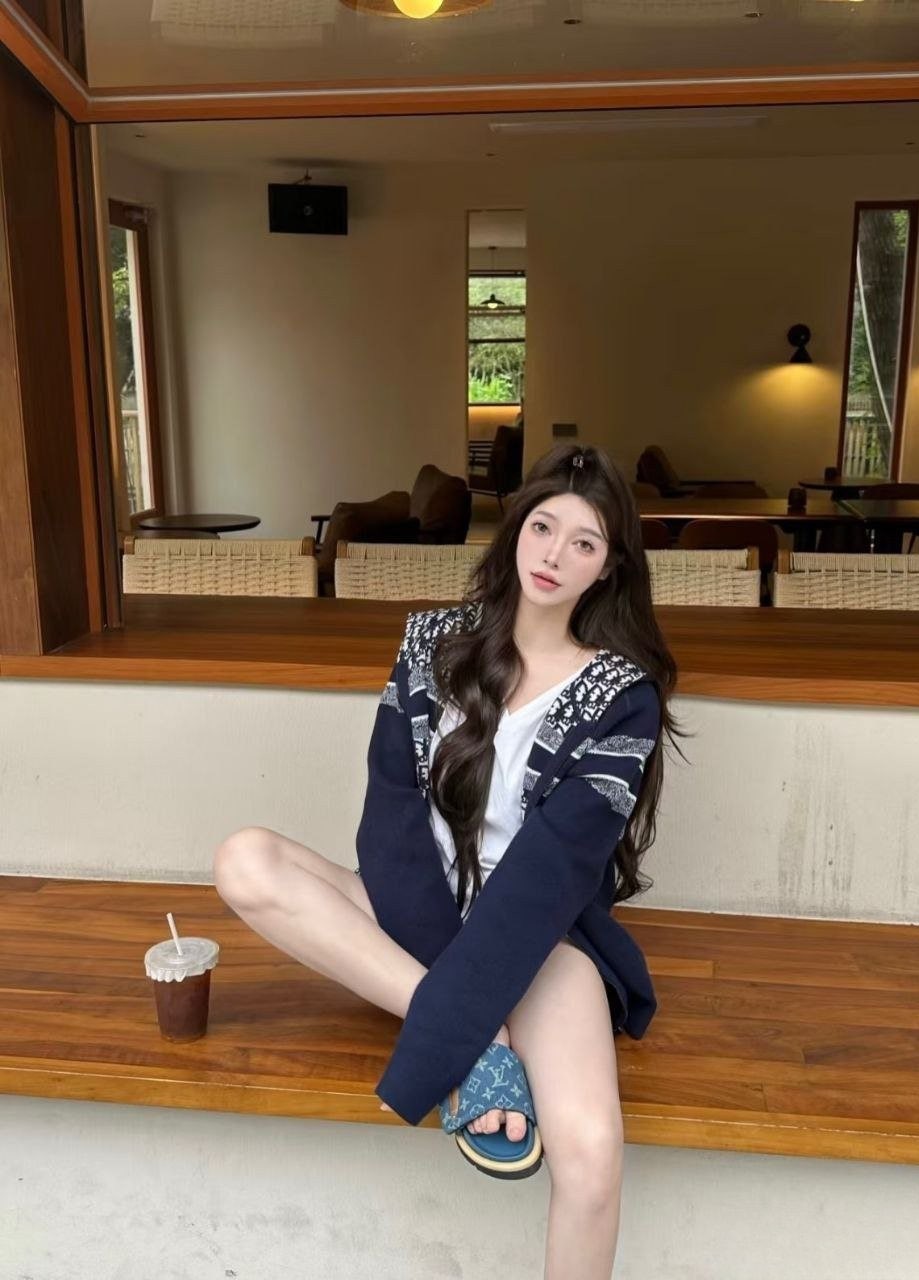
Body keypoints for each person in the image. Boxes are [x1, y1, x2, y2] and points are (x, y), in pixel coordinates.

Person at [213, 442, 679, 1280]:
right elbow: (390, 821)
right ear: (515, 529)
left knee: (591, 1157)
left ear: (608, 567)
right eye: (542, 527)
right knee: (245, 859)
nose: (554, 554)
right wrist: (471, 1027)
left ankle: (460, 1028)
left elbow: (548, 877)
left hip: (538, 941)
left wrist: (458, 1013)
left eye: (584, 542)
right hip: (412, 903)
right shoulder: (431, 642)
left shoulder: (622, 696)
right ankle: (481, 1047)